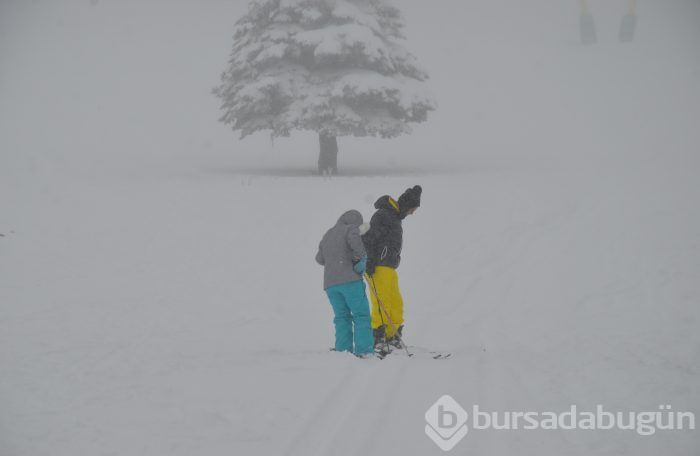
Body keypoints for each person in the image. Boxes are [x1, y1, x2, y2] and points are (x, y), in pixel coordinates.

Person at [362, 185, 422, 351]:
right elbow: (369, 238)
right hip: (378, 266)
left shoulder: (394, 218)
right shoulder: (383, 215)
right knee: (382, 302)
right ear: (406, 205)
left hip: (390, 267)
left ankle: (393, 336)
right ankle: (379, 339)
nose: (412, 213)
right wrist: (369, 261)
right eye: (412, 209)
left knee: (396, 302)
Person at [315, 210, 374, 357]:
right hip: (350, 281)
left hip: (330, 285)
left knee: (342, 317)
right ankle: (364, 350)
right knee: (361, 315)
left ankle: (343, 350)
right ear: (355, 222)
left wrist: (335, 259)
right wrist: (362, 258)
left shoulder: (328, 234)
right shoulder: (350, 229)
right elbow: (355, 240)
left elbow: (319, 259)